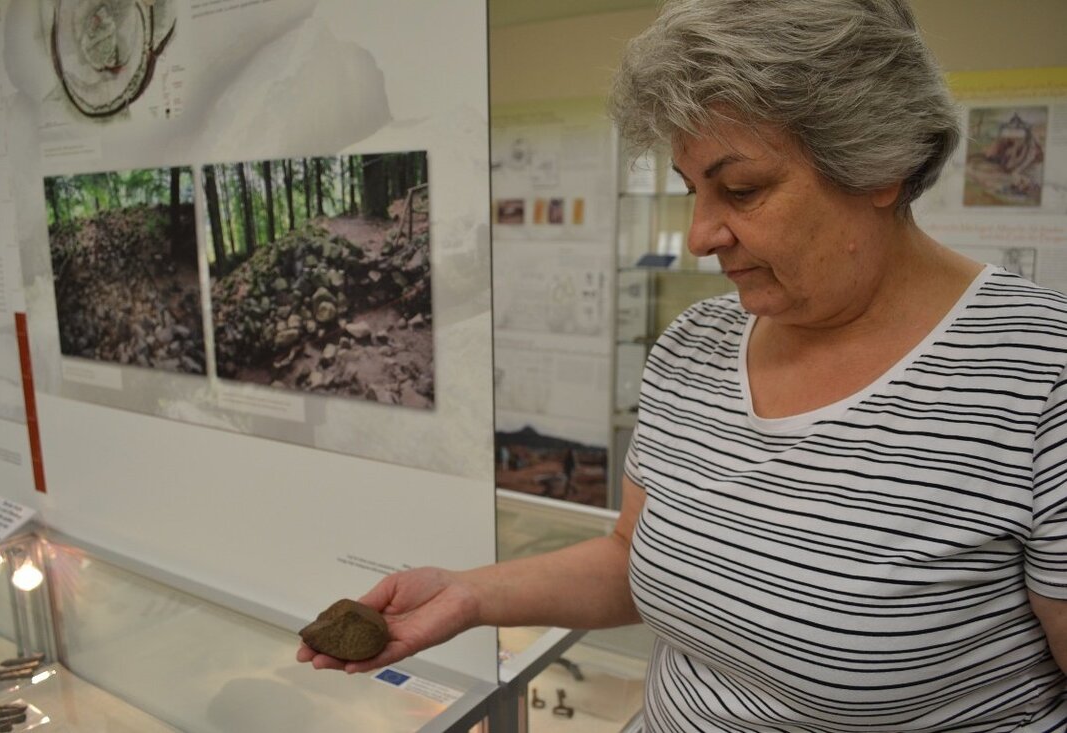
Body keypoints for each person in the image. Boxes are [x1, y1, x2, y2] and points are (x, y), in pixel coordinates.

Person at [300, 0, 1067, 729]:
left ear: (879, 165)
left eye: (742, 188)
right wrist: (467, 593)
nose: (699, 235)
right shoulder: (697, 343)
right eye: (692, 189)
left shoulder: (1042, 379)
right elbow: (631, 554)